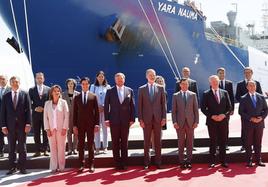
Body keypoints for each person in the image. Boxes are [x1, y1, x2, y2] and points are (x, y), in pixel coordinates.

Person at [1, 76, 32, 175]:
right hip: (10, 127)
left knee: (22, 148)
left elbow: (28, 111)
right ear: (10, 84)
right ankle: (12, 168)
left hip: (22, 126)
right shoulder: (6, 96)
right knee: (11, 148)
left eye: (17, 82)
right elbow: (3, 112)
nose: (15, 83)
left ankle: (23, 168)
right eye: (13, 82)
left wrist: (28, 124)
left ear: (19, 83)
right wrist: (3, 126)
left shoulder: (25, 94)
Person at [104, 73, 135, 170]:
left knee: (124, 142)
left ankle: (125, 163)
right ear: (115, 80)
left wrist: (132, 119)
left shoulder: (130, 90)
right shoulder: (110, 91)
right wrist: (106, 119)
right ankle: (117, 163)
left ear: (124, 79)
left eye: (121, 79)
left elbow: (132, 106)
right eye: (118, 79)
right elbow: (106, 106)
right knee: (115, 142)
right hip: (114, 121)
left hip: (126, 121)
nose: (120, 81)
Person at [138, 69, 167, 170]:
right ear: (146, 76)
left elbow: (164, 105)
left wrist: (164, 118)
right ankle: (146, 162)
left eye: (154, 75)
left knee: (158, 141)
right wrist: (140, 120)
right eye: (150, 75)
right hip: (146, 119)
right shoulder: (141, 89)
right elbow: (140, 106)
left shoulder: (160, 88)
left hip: (158, 119)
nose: (152, 76)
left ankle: (158, 162)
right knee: (146, 141)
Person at [201, 75, 232, 168]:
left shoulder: (225, 92)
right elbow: (203, 108)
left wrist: (224, 115)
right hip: (212, 122)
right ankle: (212, 161)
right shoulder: (206, 94)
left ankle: (223, 161)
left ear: (219, 82)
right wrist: (212, 116)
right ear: (210, 83)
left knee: (223, 141)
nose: (215, 83)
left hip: (223, 121)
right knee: (213, 141)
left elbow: (229, 107)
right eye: (213, 81)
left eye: (216, 81)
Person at [238, 80, 268, 167]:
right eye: (250, 86)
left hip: (259, 124)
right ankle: (249, 161)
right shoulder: (243, 98)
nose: (252, 87)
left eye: (253, 85)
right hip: (248, 124)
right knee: (248, 143)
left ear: (256, 87)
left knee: (258, 143)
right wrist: (251, 118)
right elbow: (241, 112)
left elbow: (266, 109)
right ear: (247, 87)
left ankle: (258, 160)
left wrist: (261, 118)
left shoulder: (261, 97)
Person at [73, 77, 99, 173]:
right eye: (83, 84)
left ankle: (91, 164)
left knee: (91, 144)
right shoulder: (77, 97)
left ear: (89, 85)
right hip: (80, 125)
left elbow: (96, 112)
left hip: (91, 124)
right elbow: (75, 113)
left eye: (86, 84)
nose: (84, 85)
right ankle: (81, 164)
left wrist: (97, 124)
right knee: (80, 145)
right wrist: (74, 125)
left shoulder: (93, 96)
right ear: (81, 85)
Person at [172, 78, 199, 169]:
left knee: (190, 143)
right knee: (181, 142)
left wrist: (196, 121)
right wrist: (174, 122)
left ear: (188, 85)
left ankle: (189, 160)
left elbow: (196, 110)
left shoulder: (193, 95)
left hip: (191, 123)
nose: (184, 85)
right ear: (180, 85)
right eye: (183, 84)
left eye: (186, 84)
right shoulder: (175, 95)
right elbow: (174, 111)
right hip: (179, 123)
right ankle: (181, 161)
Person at [235, 67, 263, 152]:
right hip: (245, 112)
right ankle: (244, 145)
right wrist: (245, 104)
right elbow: (237, 96)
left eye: (249, 72)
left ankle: (255, 146)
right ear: (244, 74)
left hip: (256, 112)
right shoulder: (240, 84)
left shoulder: (256, 83)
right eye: (245, 72)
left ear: (252, 73)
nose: (247, 74)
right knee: (244, 129)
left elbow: (260, 95)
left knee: (256, 130)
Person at [44, 85, 69, 173]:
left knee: (61, 148)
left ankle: (61, 167)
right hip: (51, 130)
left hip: (61, 130)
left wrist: (65, 128)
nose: (56, 92)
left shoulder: (63, 102)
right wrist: (47, 129)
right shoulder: (47, 103)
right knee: (53, 149)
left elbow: (66, 116)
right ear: (51, 92)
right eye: (54, 91)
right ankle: (54, 167)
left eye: (58, 91)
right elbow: (45, 118)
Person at [29, 72, 50, 157]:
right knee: (36, 133)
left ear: (43, 79)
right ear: (35, 79)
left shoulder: (48, 89)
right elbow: (29, 102)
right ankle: (37, 150)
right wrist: (34, 108)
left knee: (46, 132)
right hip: (36, 114)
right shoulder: (31, 90)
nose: (39, 79)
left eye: (41, 78)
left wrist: (45, 108)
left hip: (46, 114)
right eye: (38, 78)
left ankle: (45, 150)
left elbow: (50, 101)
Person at [90, 71, 111, 154]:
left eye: (102, 76)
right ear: (97, 77)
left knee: (105, 129)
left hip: (105, 110)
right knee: (96, 128)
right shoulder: (93, 86)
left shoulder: (108, 87)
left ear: (104, 77)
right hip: (96, 111)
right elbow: (91, 98)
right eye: (99, 76)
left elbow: (110, 99)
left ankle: (105, 147)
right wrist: (97, 107)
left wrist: (104, 107)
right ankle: (97, 147)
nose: (101, 78)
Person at [217, 67, 235, 150]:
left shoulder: (229, 83)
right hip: (217, 110)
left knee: (225, 127)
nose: (222, 74)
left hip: (227, 110)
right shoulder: (214, 83)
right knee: (217, 128)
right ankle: (218, 145)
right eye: (220, 73)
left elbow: (231, 97)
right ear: (217, 74)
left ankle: (225, 144)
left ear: (225, 74)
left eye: (223, 73)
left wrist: (232, 109)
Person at [62, 78, 79, 155]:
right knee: (68, 133)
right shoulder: (63, 94)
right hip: (66, 117)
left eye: (72, 84)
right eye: (69, 84)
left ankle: (75, 148)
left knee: (76, 133)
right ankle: (69, 149)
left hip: (76, 116)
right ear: (67, 85)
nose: (70, 85)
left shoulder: (78, 94)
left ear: (74, 85)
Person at [150, 75, 167, 153]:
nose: (160, 83)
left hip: (161, 115)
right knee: (152, 132)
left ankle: (158, 147)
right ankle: (153, 148)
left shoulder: (164, 92)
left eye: (161, 81)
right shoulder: (151, 91)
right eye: (158, 81)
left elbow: (164, 105)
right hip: (151, 115)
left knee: (160, 132)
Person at [0, 75, 11, 157]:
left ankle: (11, 152)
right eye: (0, 79)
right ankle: (1, 151)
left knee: (10, 135)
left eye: (3, 79)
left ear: (7, 80)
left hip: (9, 117)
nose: (1, 81)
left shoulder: (11, 90)